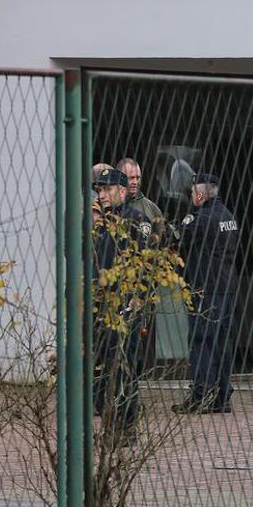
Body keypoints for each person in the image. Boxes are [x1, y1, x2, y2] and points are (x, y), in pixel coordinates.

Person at [92, 166, 158, 437]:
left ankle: (126, 426)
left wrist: (137, 300)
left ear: (121, 191)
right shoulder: (104, 222)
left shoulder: (134, 220)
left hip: (125, 306)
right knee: (105, 367)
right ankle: (113, 422)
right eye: (99, 189)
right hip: (103, 305)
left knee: (123, 367)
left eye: (107, 189)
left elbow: (145, 264)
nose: (102, 194)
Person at [177, 172, 241, 415]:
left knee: (202, 341)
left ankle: (201, 394)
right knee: (223, 341)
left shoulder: (199, 219)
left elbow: (178, 241)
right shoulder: (228, 216)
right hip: (227, 288)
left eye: (193, 191)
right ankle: (222, 395)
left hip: (206, 288)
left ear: (200, 193)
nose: (192, 195)